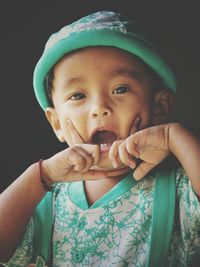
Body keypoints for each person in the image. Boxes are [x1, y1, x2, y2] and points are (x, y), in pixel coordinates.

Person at [0, 10, 200, 267]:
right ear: (57, 123)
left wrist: (175, 136)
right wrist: (41, 177)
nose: (99, 106)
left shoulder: (176, 190)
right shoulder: (44, 202)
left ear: (158, 108)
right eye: (78, 95)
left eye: (121, 89)